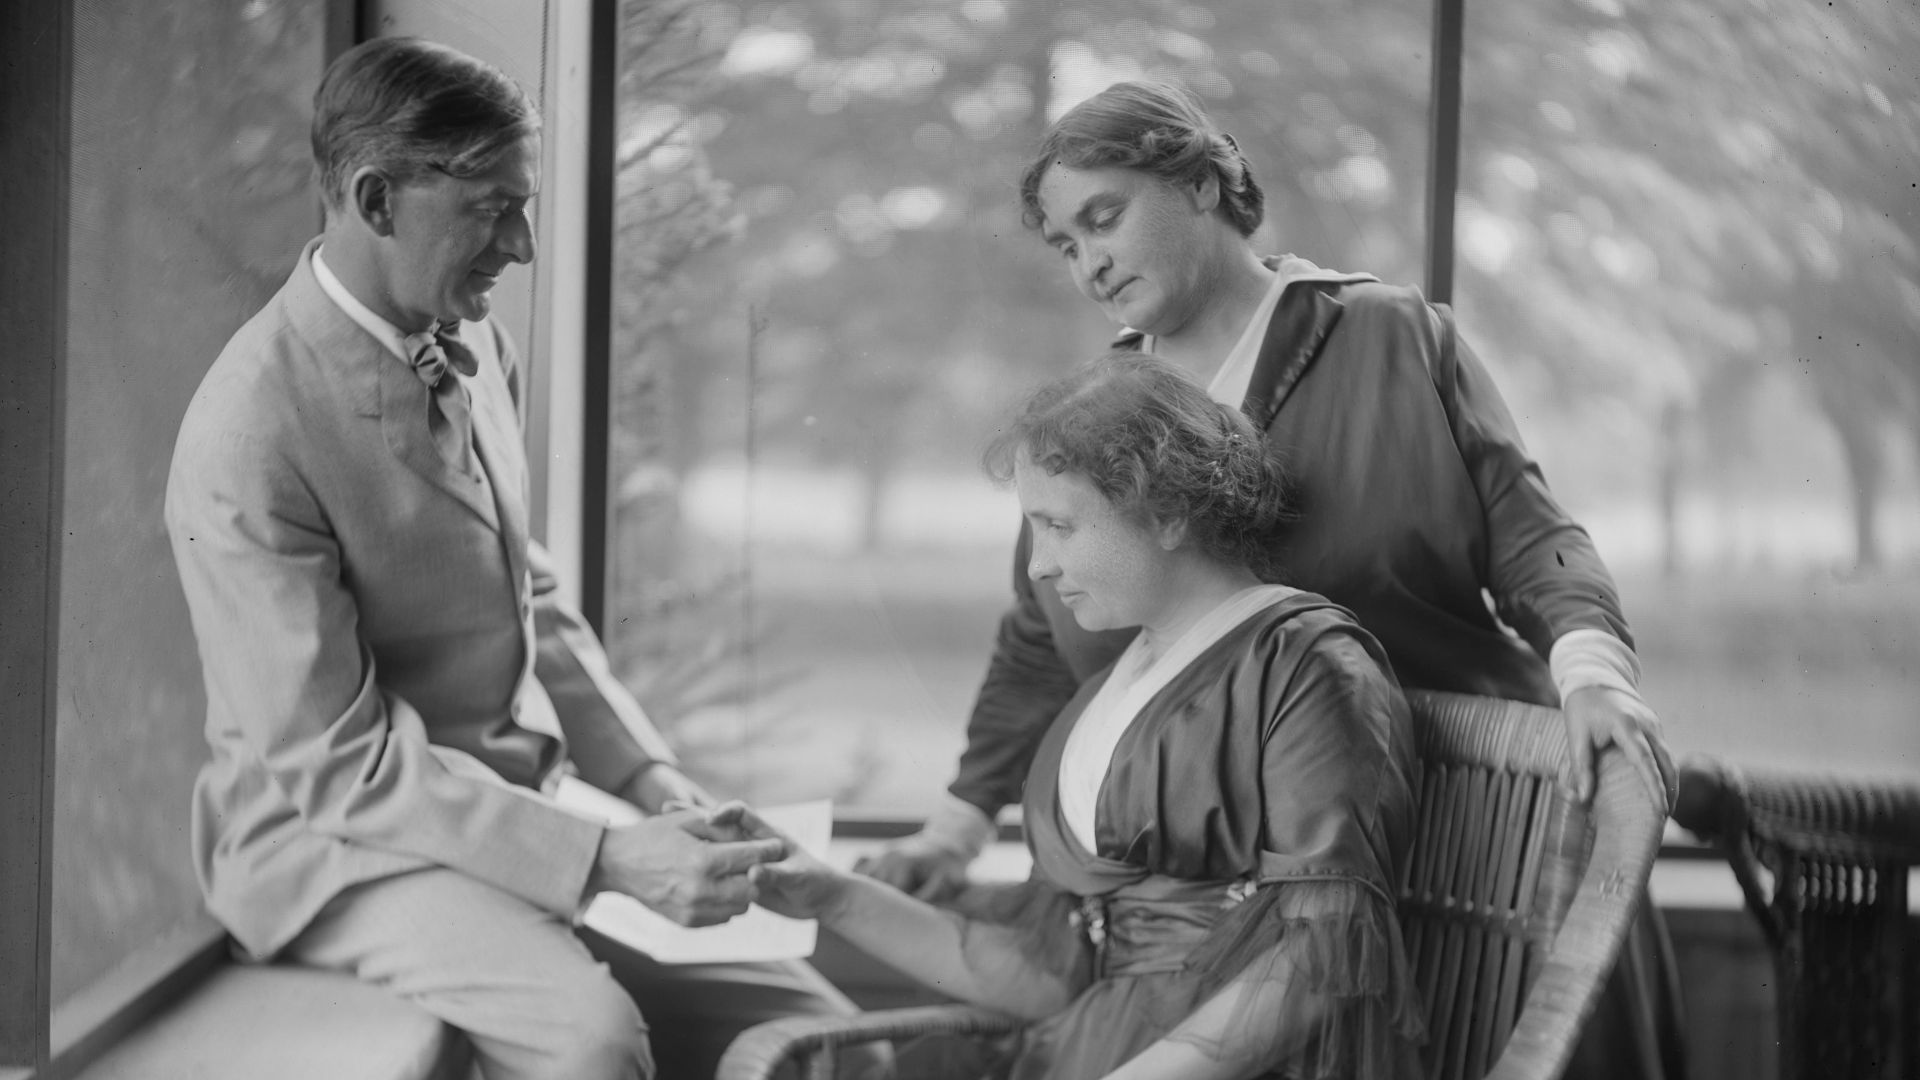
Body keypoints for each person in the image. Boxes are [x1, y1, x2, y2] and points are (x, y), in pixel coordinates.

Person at [859, 80, 1683, 1079]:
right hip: (1225, 921)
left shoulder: (1388, 337)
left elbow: (1528, 531)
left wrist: (1591, 671)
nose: (1089, 264)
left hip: (1465, 849)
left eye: (1104, 218)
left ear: (1201, 183)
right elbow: (1040, 638)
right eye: (1066, 246)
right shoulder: (1106, 417)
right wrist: (954, 825)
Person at [164, 37, 865, 1080]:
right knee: (591, 1041)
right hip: (339, 849)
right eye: (493, 208)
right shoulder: (250, 431)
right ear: (375, 196)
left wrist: (651, 784)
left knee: (805, 1022)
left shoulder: (470, 336)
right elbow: (337, 768)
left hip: (521, 809)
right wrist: (612, 854)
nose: (525, 246)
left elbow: (524, 589)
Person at [750, 352, 1425, 1080]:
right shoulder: (1120, 676)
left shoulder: (1305, 665)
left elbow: (1319, 967)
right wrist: (831, 894)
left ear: (1168, 512)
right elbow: (1055, 975)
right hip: (1090, 1046)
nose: (1037, 565)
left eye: (1059, 526)